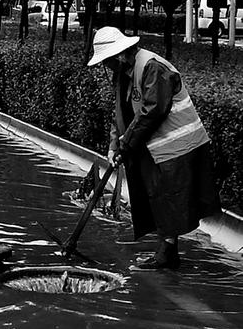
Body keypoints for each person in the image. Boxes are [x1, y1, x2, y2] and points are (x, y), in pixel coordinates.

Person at [88, 26, 221, 270]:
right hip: (157, 148)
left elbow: (153, 110)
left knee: (167, 199)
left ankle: (166, 255)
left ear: (118, 56)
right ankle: (166, 253)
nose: (105, 67)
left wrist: (126, 145)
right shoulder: (124, 73)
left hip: (179, 146)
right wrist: (114, 145)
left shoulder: (152, 66)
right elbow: (120, 114)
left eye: (106, 62)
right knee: (158, 199)